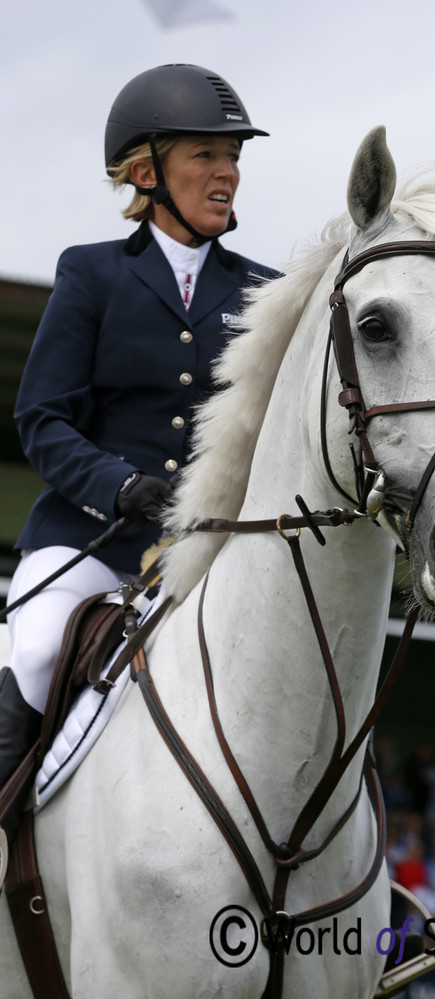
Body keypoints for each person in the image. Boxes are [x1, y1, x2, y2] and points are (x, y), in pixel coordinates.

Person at [0, 64, 279, 847]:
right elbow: (42, 418)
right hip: (92, 541)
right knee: (42, 643)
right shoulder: (91, 274)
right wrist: (118, 487)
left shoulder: (266, 293)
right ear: (147, 172)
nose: (227, 173)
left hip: (211, 555)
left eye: (234, 157)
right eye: (206, 156)